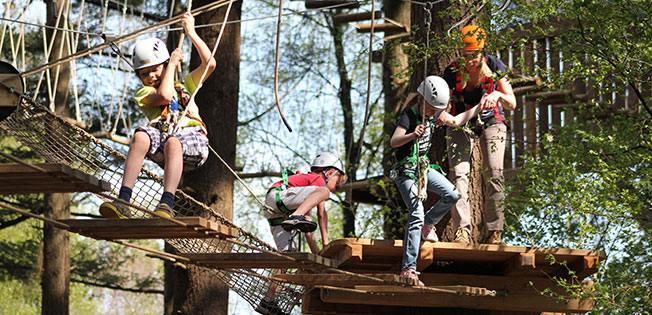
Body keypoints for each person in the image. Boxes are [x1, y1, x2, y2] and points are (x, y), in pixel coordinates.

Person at [99, 12, 216, 219]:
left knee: (173, 141)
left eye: (155, 69)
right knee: (141, 135)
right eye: (144, 73)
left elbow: (210, 63)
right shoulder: (143, 93)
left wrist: (191, 33)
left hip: (194, 141)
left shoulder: (186, 85)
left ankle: (166, 203)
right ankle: (124, 199)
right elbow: (164, 95)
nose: (151, 76)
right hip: (164, 141)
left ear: (163, 65)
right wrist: (170, 64)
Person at [441, 25, 517, 245]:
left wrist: (496, 95)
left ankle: (495, 232)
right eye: (464, 55)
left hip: (492, 120)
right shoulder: (452, 72)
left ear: (482, 52)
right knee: (458, 174)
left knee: (494, 173)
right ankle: (462, 230)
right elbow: (444, 106)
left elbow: (512, 103)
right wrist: (443, 116)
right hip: (460, 120)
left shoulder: (494, 66)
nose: (468, 60)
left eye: (472, 56)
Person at [389, 76, 461, 285]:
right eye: (430, 109)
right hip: (406, 172)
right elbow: (394, 141)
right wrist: (413, 134)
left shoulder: (434, 114)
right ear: (421, 99)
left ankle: (428, 224)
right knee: (416, 212)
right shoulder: (409, 116)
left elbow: (456, 120)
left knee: (452, 194)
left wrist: (474, 111)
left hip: (423, 168)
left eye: (435, 110)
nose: (432, 113)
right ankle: (409, 268)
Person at [257, 152, 346, 314]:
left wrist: (318, 256)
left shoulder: (306, 195)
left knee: (287, 255)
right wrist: (326, 243)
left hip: (277, 210)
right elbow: (321, 214)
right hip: (280, 198)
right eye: (337, 182)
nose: (336, 188)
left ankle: (268, 300)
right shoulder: (318, 181)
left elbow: (308, 231)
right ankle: (294, 217)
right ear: (329, 172)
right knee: (323, 192)